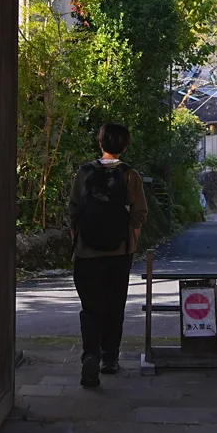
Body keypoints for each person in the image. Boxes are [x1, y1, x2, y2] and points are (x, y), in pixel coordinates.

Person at [68, 122, 146, 388]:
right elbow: (139, 213)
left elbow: (74, 209)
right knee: (114, 306)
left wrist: (77, 241)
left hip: (86, 253)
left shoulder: (84, 172)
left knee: (91, 308)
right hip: (119, 253)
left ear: (100, 143)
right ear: (125, 146)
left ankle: (90, 354)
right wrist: (129, 239)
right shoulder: (129, 175)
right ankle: (109, 358)